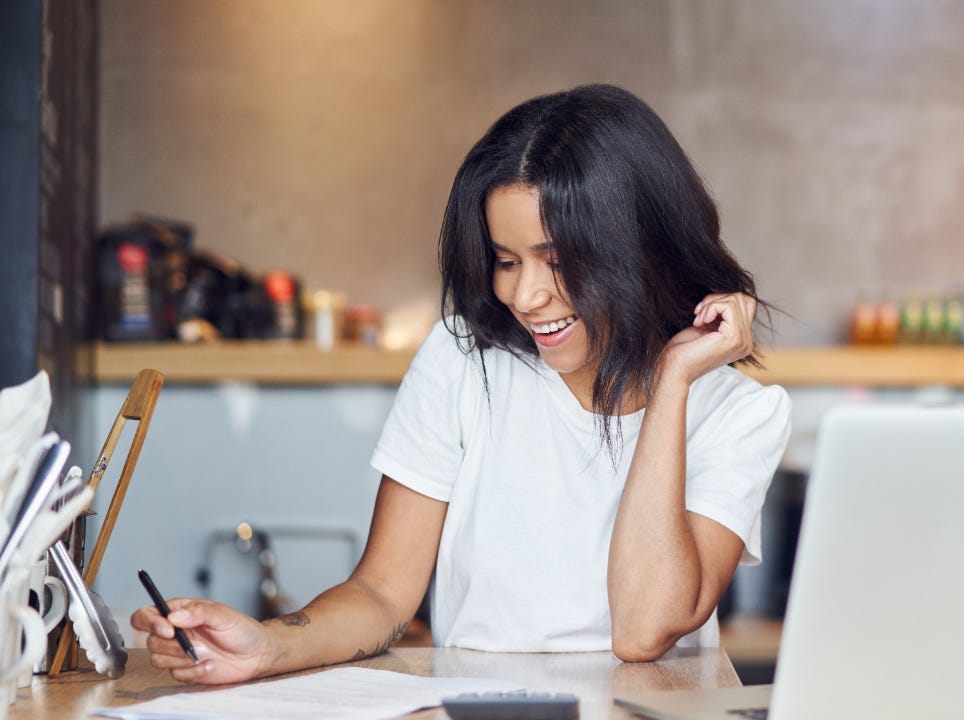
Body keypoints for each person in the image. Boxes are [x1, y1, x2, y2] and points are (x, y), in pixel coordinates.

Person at [133, 83, 792, 684]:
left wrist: (673, 381)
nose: (525, 296)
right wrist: (266, 645)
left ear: (639, 249)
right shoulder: (462, 360)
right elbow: (384, 594)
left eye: (557, 262)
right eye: (505, 261)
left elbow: (644, 628)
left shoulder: (740, 413)